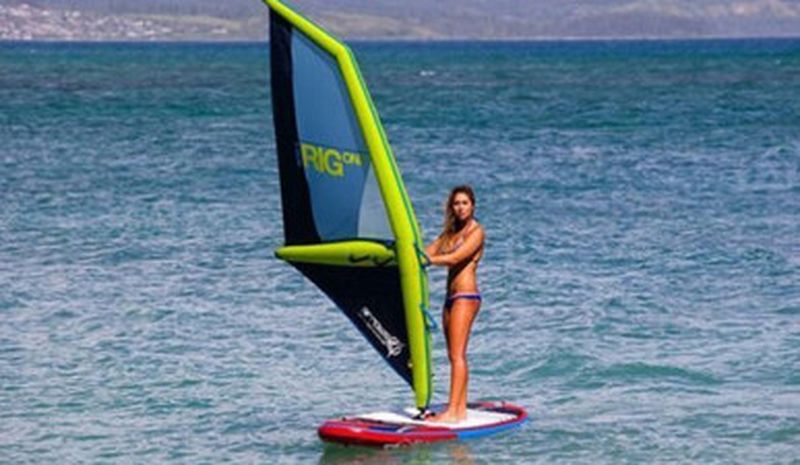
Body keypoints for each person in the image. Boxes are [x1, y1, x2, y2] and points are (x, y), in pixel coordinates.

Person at [425, 185, 485, 423]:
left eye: (465, 203)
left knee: (458, 355)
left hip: (466, 297)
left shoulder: (476, 231)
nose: (460, 208)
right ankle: (459, 409)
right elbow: (425, 251)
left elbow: (455, 258)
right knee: (453, 355)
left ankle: (453, 411)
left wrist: (428, 260)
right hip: (450, 298)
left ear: (473, 205)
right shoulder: (449, 234)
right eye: (456, 204)